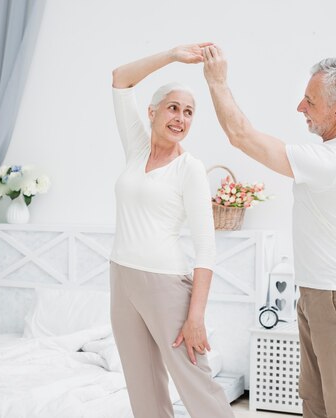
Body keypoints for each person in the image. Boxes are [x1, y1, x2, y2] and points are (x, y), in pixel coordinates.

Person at [201, 44, 336, 418]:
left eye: (310, 100)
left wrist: (217, 81)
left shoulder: (333, 160)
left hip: (335, 295)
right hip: (325, 291)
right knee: (315, 400)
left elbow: (241, 136)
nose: (300, 108)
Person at [110, 43, 235, 418]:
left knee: (197, 385)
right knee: (142, 386)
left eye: (189, 112)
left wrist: (195, 316)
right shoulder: (136, 147)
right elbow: (120, 78)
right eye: (173, 107)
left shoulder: (190, 169)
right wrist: (173, 55)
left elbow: (206, 247)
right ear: (152, 112)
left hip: (165, 284)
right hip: (122, 277)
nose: (181, 118)